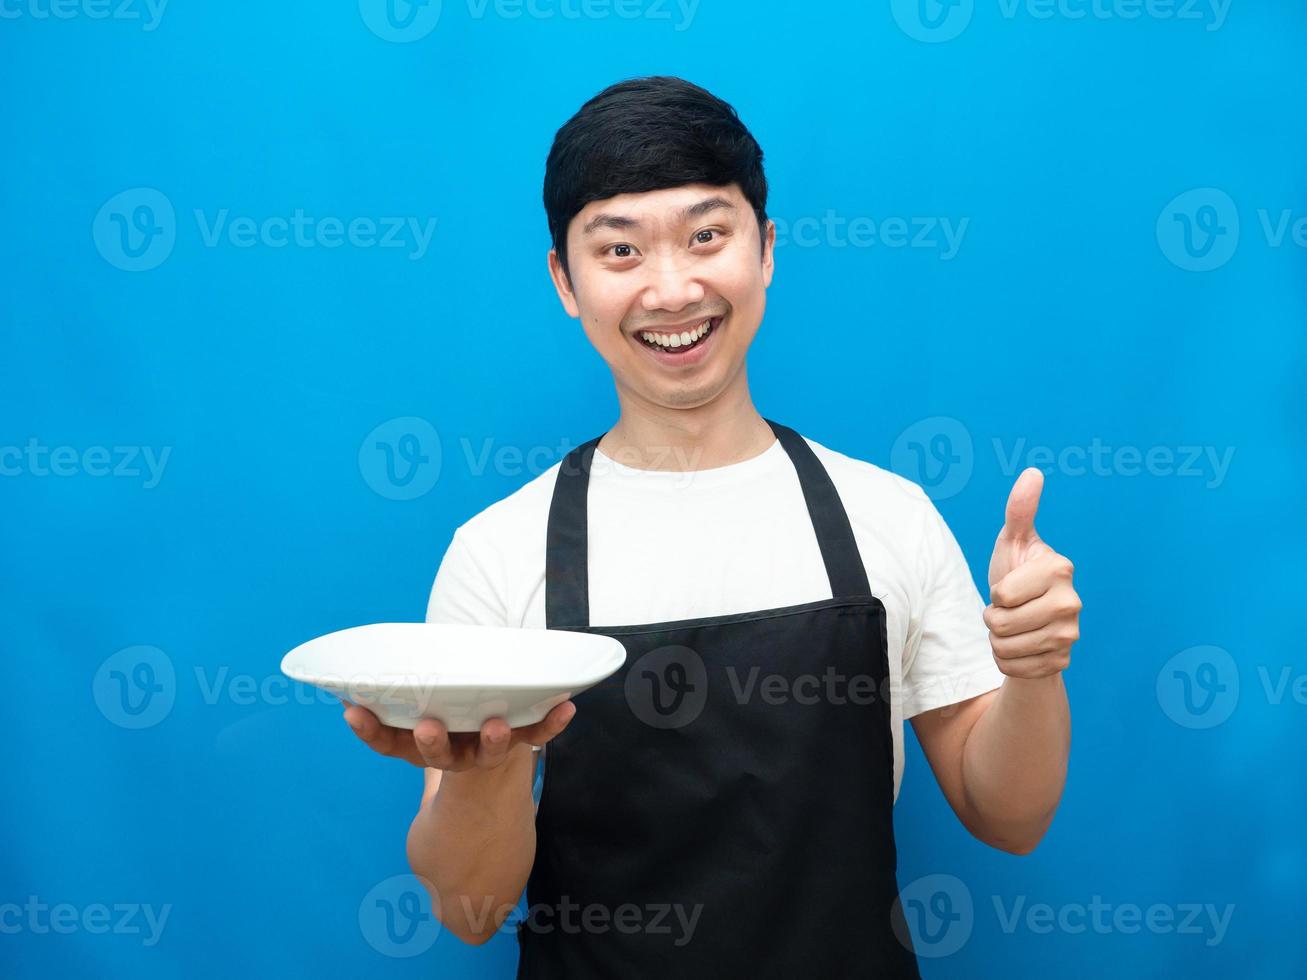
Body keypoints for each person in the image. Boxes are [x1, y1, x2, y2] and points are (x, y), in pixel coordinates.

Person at [341, 75, 1080, 977]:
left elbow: (1008, 816)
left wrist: (1031, 674)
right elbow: (469, 908)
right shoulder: (499, 552)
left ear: (764, 250)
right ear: (564, 282)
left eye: (706, 235)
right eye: (619, 251)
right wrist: (484, 765)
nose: (671, 288)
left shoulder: (886, 515)